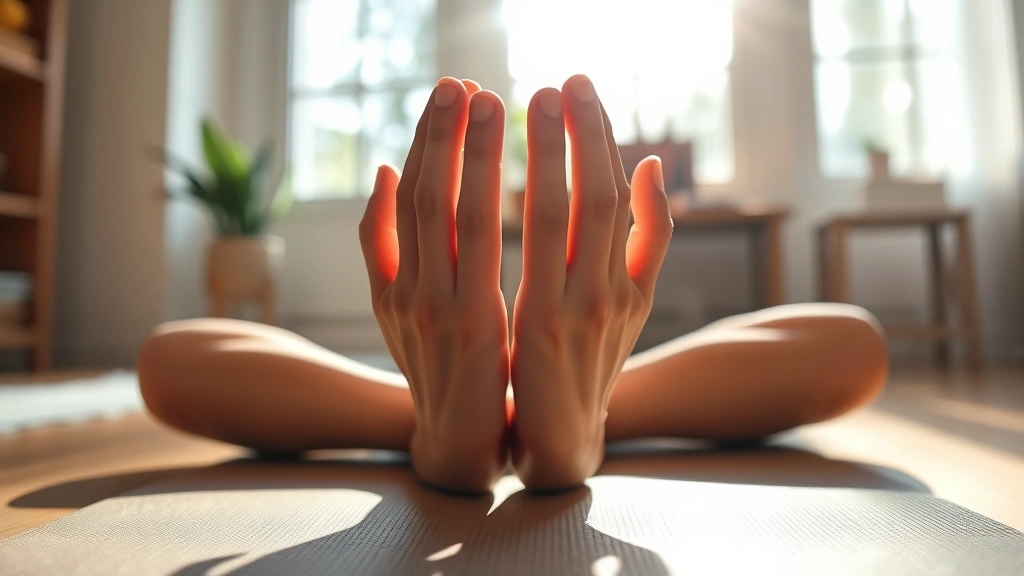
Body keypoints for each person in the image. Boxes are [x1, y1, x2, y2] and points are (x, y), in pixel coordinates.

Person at [138, 75, 888, 494]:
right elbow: (168, 366)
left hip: (470, 418)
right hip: (526, 415)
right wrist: (566, 415)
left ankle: (510, 427)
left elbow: (857, 349)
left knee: (856, 342)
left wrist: (449, 424)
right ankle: (541, 425)